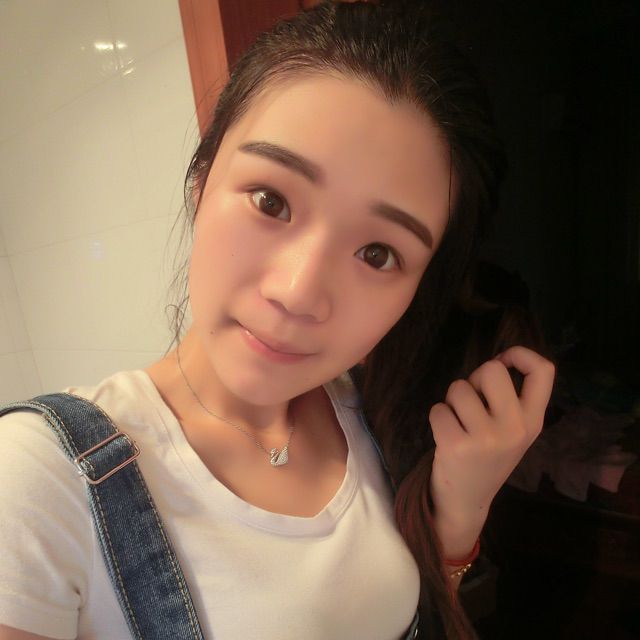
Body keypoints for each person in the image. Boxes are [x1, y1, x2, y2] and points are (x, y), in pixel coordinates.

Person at [0, 1, 555, 639]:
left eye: (378, 254)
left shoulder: (374, 415)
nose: (298, 293)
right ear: (201, 182)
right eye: (271, 201)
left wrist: (460, 513)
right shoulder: (41, 480)